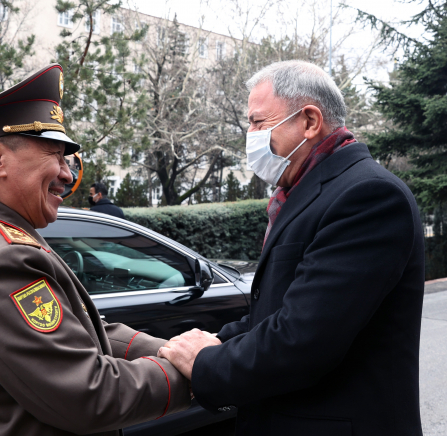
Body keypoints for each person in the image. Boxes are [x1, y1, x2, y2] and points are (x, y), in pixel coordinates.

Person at [158, 60, 425, 436]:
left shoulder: (368, 196)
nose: (249, 136)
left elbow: (304, 339)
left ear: (310, 122)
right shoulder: (300, 193)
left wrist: (206, 363)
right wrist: (217, 340)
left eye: (257, 122)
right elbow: (275, 312)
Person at [0, 64, 190, 436]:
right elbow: (88, 394)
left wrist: (173, 349)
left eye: (67, 159)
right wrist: (198, 374)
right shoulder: (2, 258)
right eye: (55, 154)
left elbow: (79, 329)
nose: (67, 174)